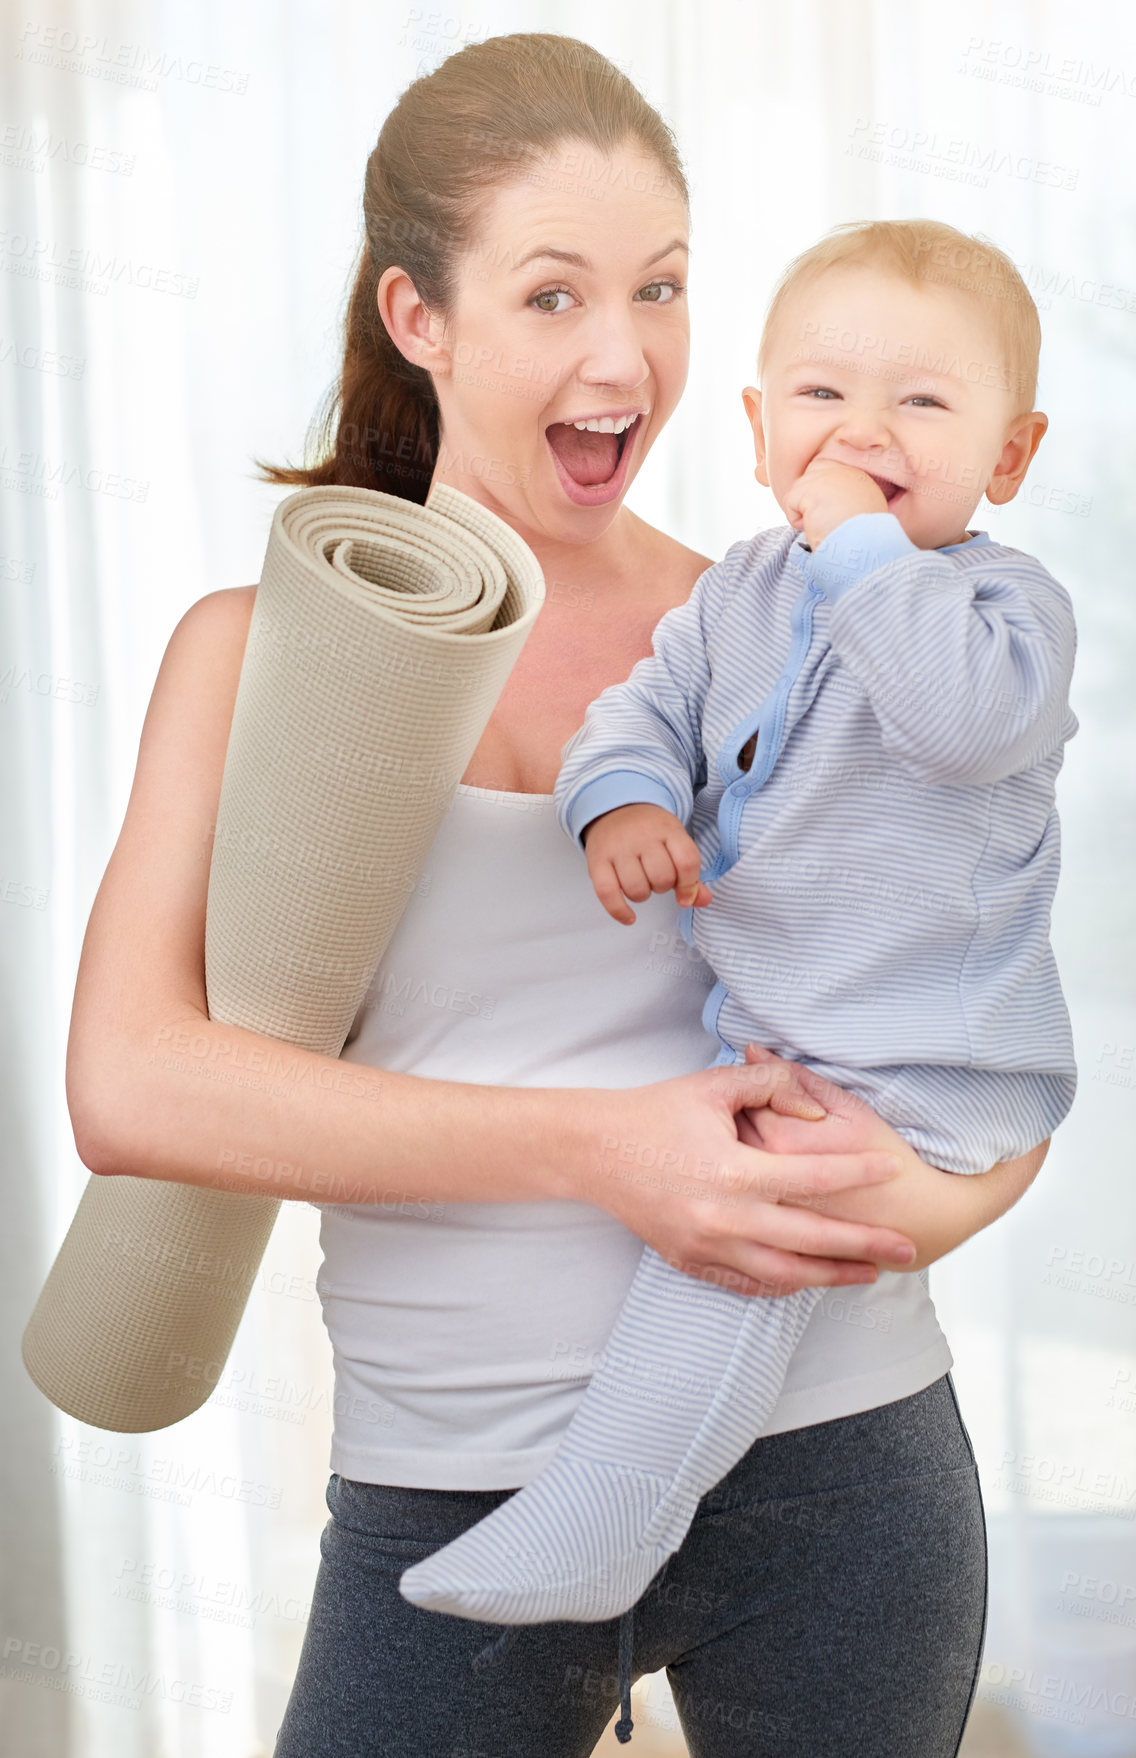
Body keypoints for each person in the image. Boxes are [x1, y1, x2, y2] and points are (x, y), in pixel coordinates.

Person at [63, 33, 1051, 1758]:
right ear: (417, 318)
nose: (625, 354)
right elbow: (130, 1084)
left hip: (842, 1459)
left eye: (662, 287)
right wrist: (610, 1153)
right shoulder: (260, 659)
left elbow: (967, 957)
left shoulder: (808, 619)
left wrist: (946, 1195)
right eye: (552, 296)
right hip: (450, 1487)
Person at [397, 218, 1077, 1631]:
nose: (863, 431)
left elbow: (958, 726)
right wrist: (626, 801)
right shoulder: (738, 595)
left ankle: (609, 1515)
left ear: (1009, 456)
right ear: (762, 426)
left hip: (930, 1058)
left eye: (925, 404)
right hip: (795, 1033)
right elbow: (639, 708)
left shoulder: (1005, 612)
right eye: (822, 397)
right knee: (748, 1199)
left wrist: (867, 551)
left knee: (752, 1220)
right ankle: (612, 1510)